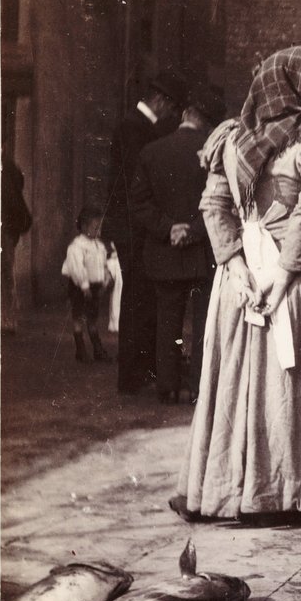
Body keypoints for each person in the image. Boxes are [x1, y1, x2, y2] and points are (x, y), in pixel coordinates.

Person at [172, 47, 301, 521]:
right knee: (294, 376)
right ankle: (287, 491)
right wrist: (282, 273)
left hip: (242, 275)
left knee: (239, 375)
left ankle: (234, 486)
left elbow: (214, 207)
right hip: (296, 275)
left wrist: (235, 266)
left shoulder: (232, 139)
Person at [129, 84, 226, 404]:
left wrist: (170, 228)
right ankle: (200, 386)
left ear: (185, 114)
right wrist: (194, 231)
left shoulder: (152, 151)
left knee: (167, 319)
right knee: (203, 324)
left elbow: (140, 204)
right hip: (203, 250)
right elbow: (223, 204)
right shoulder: (214, 154)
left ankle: (167, 385)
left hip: (163, 249)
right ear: (208, 123)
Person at [104, 69, 188, 394]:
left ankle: (140, 370)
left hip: (132, 225)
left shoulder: (137, 127)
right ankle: (132, 375)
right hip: (132, 227)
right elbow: (137, 184)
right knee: (137, 298)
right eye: (172, 107)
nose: (172, 115)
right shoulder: (134, 128)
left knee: (140, 297)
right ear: (161, 100)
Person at [61, 207, 115, 363]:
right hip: (80, 286)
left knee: (92, 317)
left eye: (100, 227)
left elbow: (103, 264)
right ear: (84, 227)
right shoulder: (77, 246)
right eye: (95, 227)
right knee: (78, 316)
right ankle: (80, 349)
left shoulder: (99, 245)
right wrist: (84, 285)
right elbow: (77, 267)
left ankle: (98, 349)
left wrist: (105, 278)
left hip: (95, 286)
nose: (98, 230)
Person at [0, 152, 32, 334]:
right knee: (5, 270)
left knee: (4, 269)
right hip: (5, 226)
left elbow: (14, 193)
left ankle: (6, 318)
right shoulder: (7, 164)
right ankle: (6, 318)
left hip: (4, 225)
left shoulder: (6, 165)